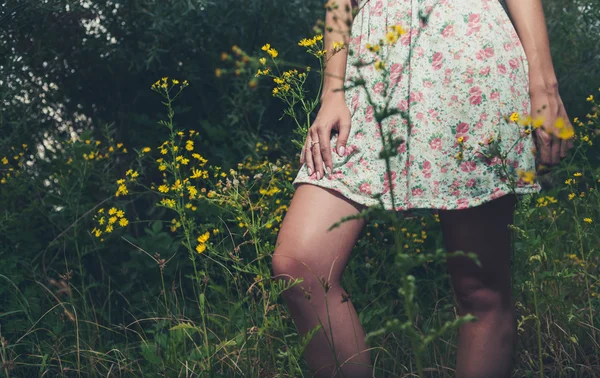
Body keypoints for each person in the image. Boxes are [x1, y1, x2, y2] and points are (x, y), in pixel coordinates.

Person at [272, 0, 574, 377]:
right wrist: (333, 90)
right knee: (300, 263)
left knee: (479, 286)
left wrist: (544, 84)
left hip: (470, 54)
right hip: (371, 68)